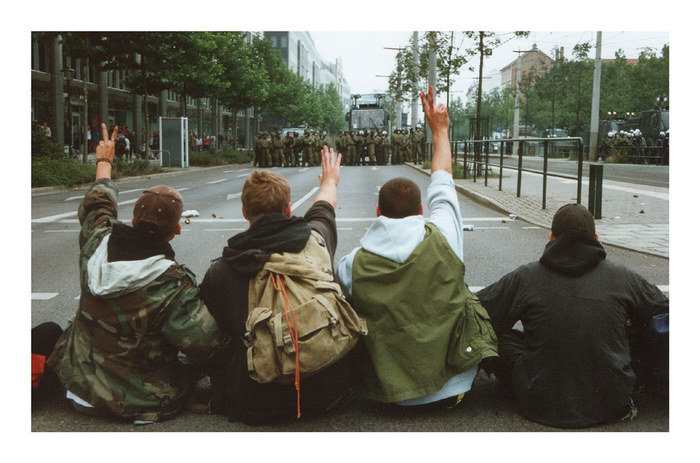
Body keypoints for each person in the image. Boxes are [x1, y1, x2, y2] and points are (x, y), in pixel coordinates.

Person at [47, 124, 223, 424]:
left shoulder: (96, 243)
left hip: (78, 389)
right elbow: (206, 345)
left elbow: (98, 205)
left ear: (132, 219)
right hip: (139, 402)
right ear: (177, 230)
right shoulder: (173, 285)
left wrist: (104, 161)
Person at [336, 86, 498, 408]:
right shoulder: (444, 236)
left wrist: (329, 184)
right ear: (422, 211)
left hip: (385, 394)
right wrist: (440, 130)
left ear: (378, 212)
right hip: (455, 385)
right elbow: (443, 181)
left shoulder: (351, 265)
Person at [476, 203, 669, 428]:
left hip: (538, 401)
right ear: (596, 238)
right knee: (649, 325)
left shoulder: (526, 277)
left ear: (551, 238)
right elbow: (664, 312)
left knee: (492, 332)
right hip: (612, 401)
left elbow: (477, 311)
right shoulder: (623, 277)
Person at [200, 146, 355, 424]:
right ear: (288, 208)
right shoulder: (316, 242)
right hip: (324, 393)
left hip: (253, 400)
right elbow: (324, 205)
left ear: (245, 212)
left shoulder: (220, 271)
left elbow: (212, 338)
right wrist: (330, 180)